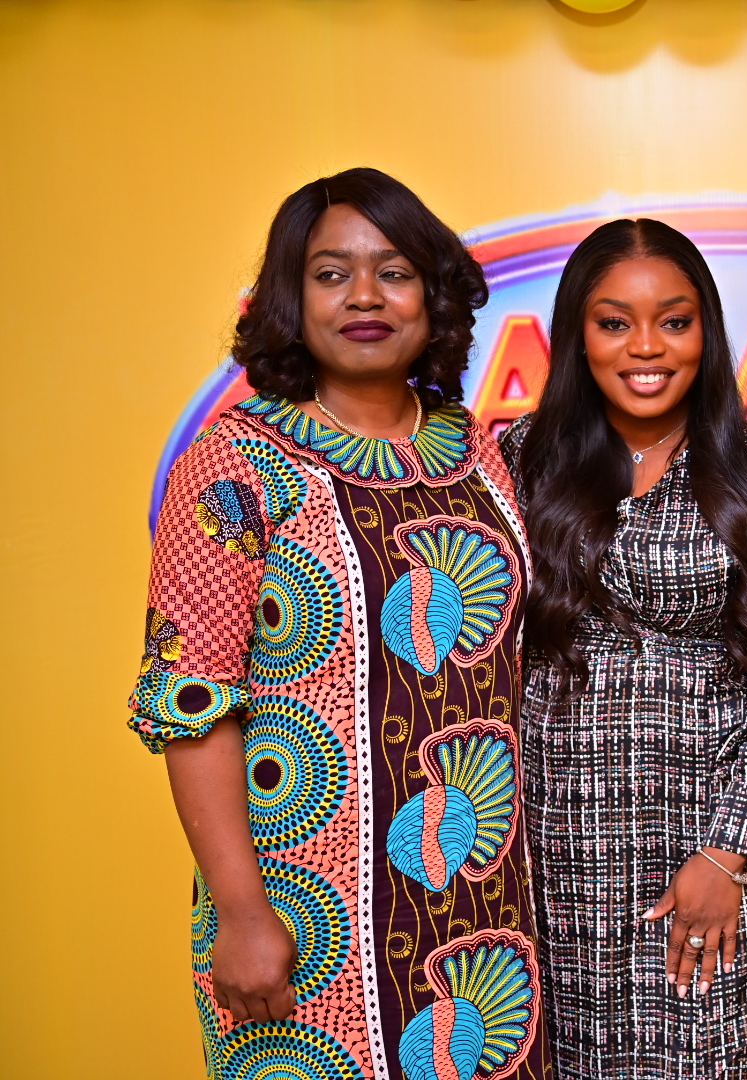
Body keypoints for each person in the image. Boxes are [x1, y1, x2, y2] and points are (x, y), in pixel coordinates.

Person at [130, 167, 548, 1080]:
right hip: (307, 916)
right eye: (331, 273)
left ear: (432, 297)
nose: (364, 295)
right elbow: (191, 702)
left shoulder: (473, 447)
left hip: (481, 911)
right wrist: (242, 914)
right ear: (291, 298)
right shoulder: (236, 462)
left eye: (393, 271)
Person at [500, 218, 747, 1079]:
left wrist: (728, 852)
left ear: (705, 332)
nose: (646, 347)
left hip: (715, 835)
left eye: (674, 322)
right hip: (557, 847)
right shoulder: (519, 463)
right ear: (578, 334)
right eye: (614, 323)